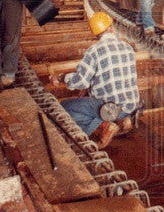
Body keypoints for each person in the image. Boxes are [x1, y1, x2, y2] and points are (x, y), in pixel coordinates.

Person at [50, 11, 139, 147]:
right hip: (130, 106)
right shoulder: (128, 48)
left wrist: (62, 77)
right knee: (90, 103)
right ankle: (123, 121)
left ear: (96, 34)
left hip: (108, 108)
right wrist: (88, 88)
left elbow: (80, 81)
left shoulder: (94, 51)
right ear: (111, 28)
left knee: (64, 107)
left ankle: (103, 128)